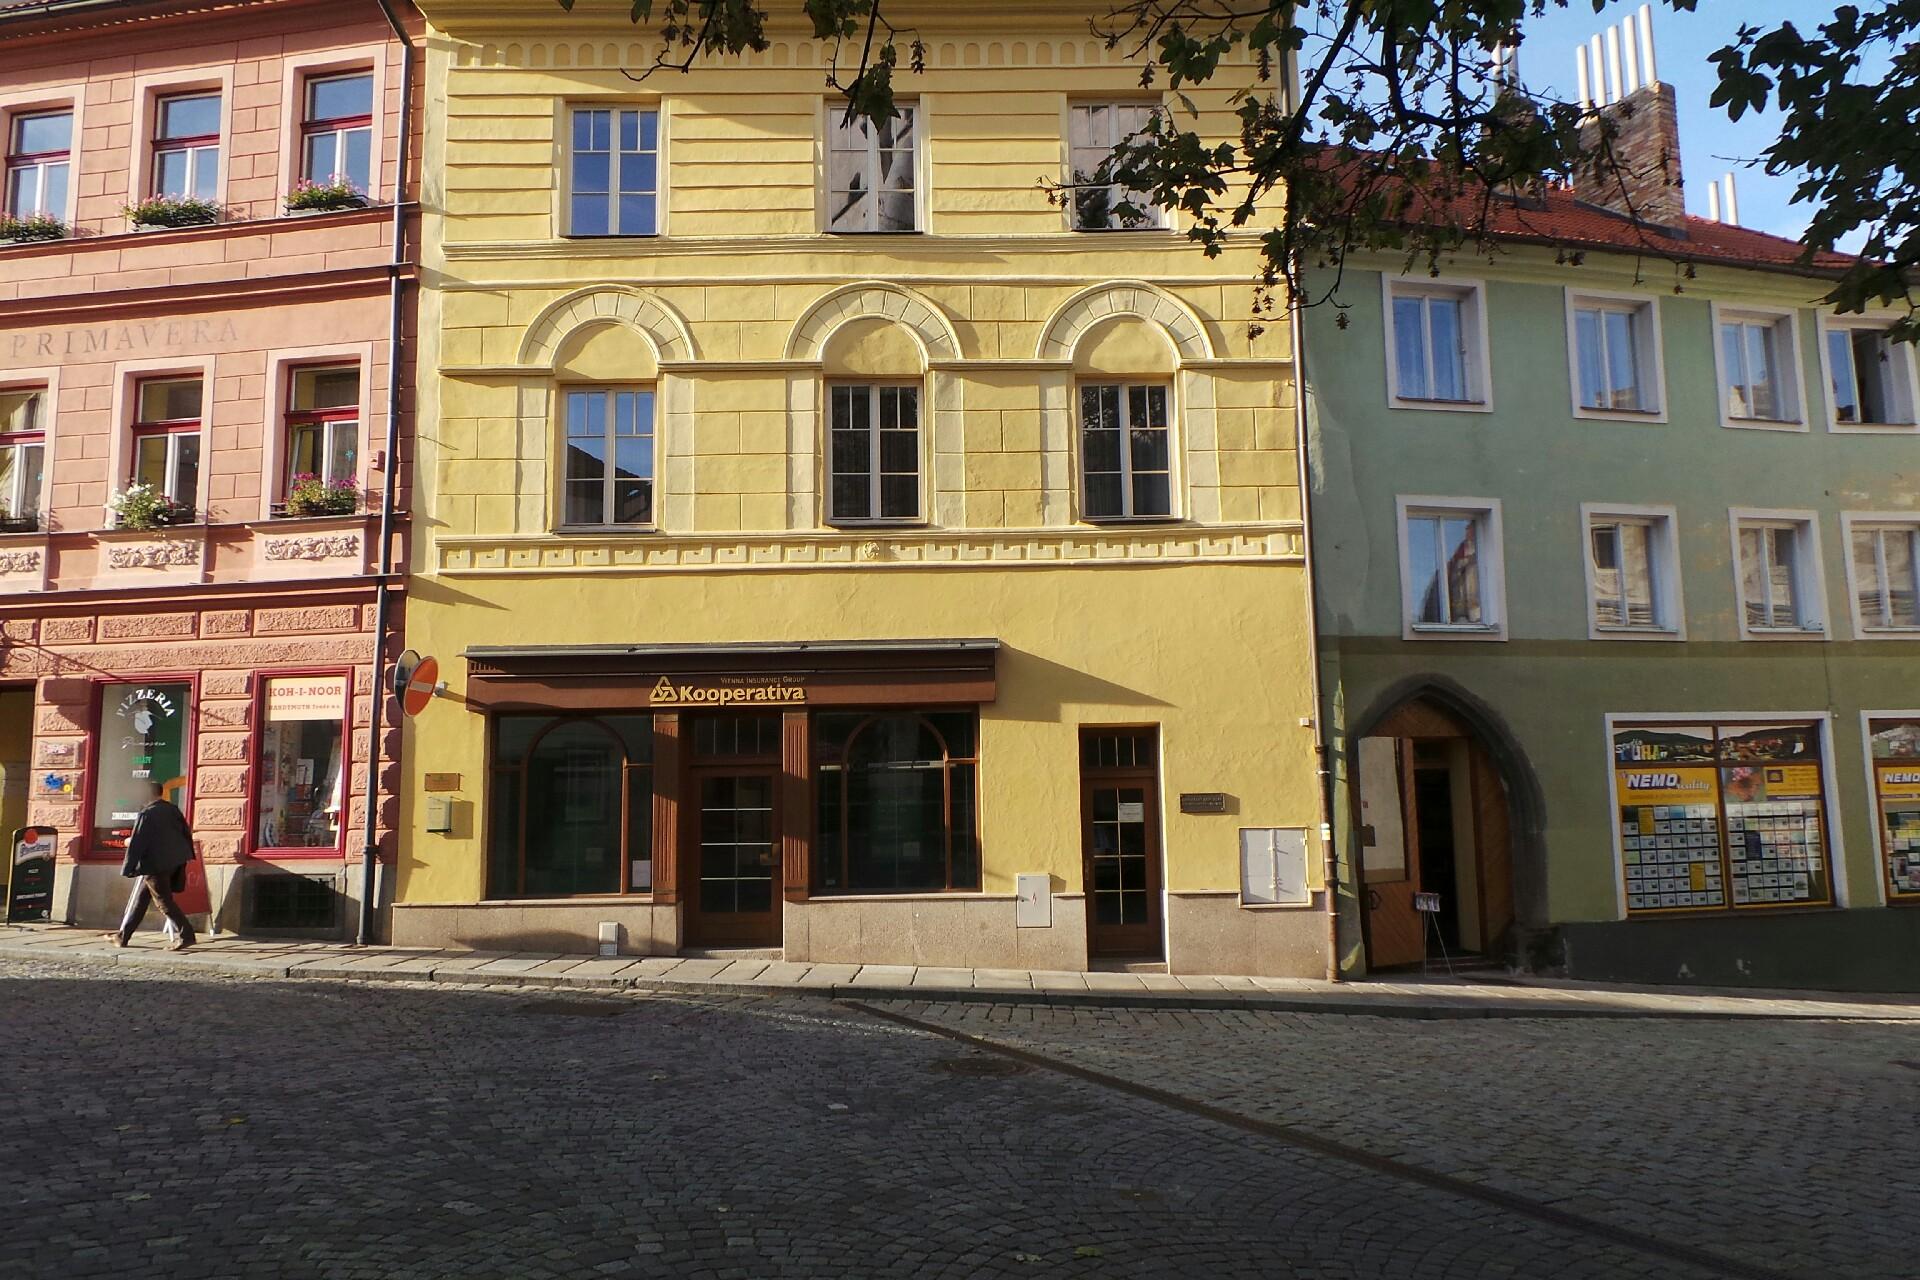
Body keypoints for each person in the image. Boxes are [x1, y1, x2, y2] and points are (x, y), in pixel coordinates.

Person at [105, 782, 198, 951]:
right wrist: (187, 856)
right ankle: (123, 936)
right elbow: (185, 833)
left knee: (164, 902)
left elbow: (138, 843)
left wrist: (128, 868)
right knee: (141, 900)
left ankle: (187, 935)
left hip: (155, 864)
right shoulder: (172, 809)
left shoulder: (147, 814)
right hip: (173, 861)